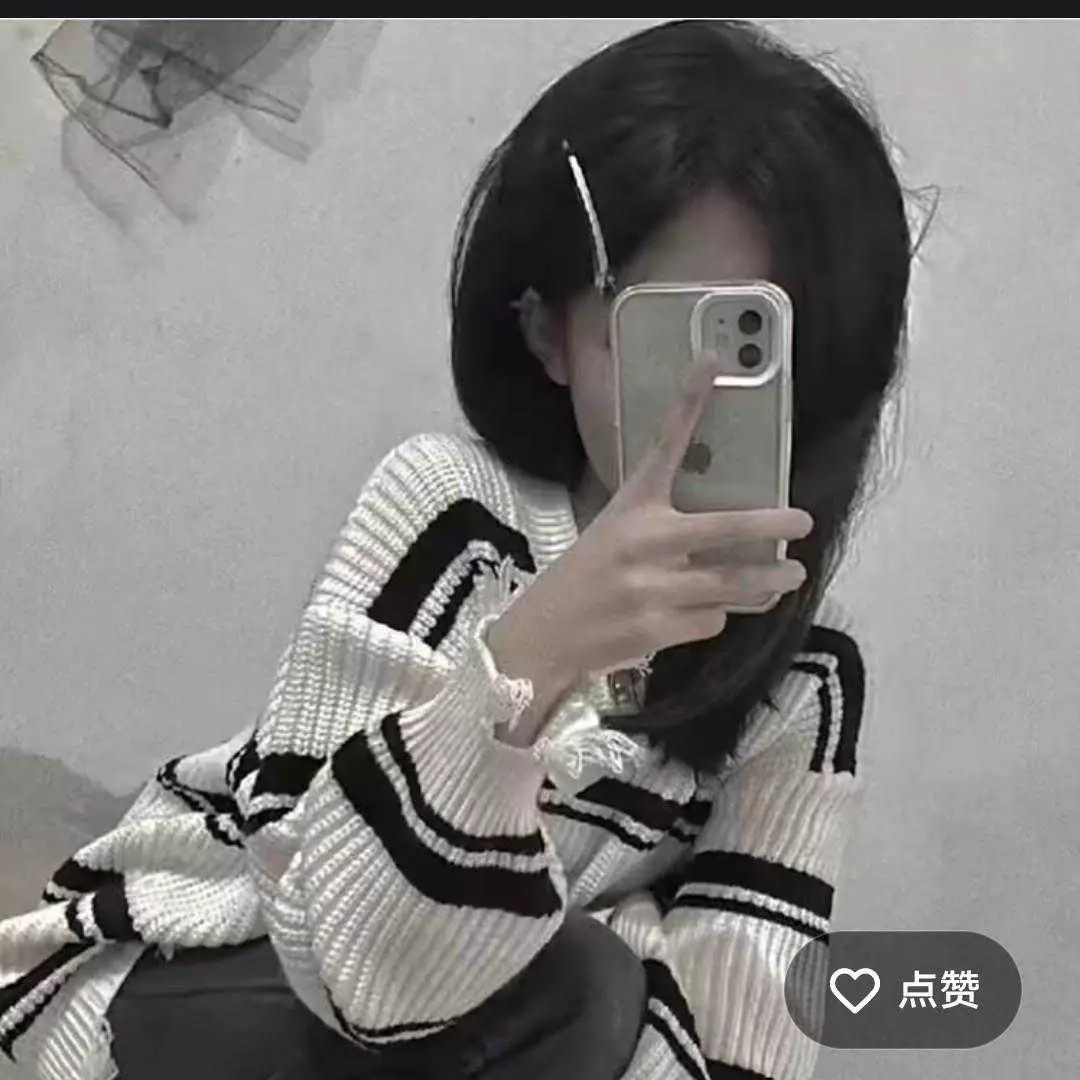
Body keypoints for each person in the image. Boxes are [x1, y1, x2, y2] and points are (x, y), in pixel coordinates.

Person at [0, 18, 918, 1080]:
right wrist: (532, 662)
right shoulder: (455, 512)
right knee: (585, 986)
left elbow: (743, 1040)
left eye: (758, 346)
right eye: (669, 337)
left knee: (588, 996)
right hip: (195, 981)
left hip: (476, 1044)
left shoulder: (805, 673)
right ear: (547, 334)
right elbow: (348, 969)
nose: (705, 402)